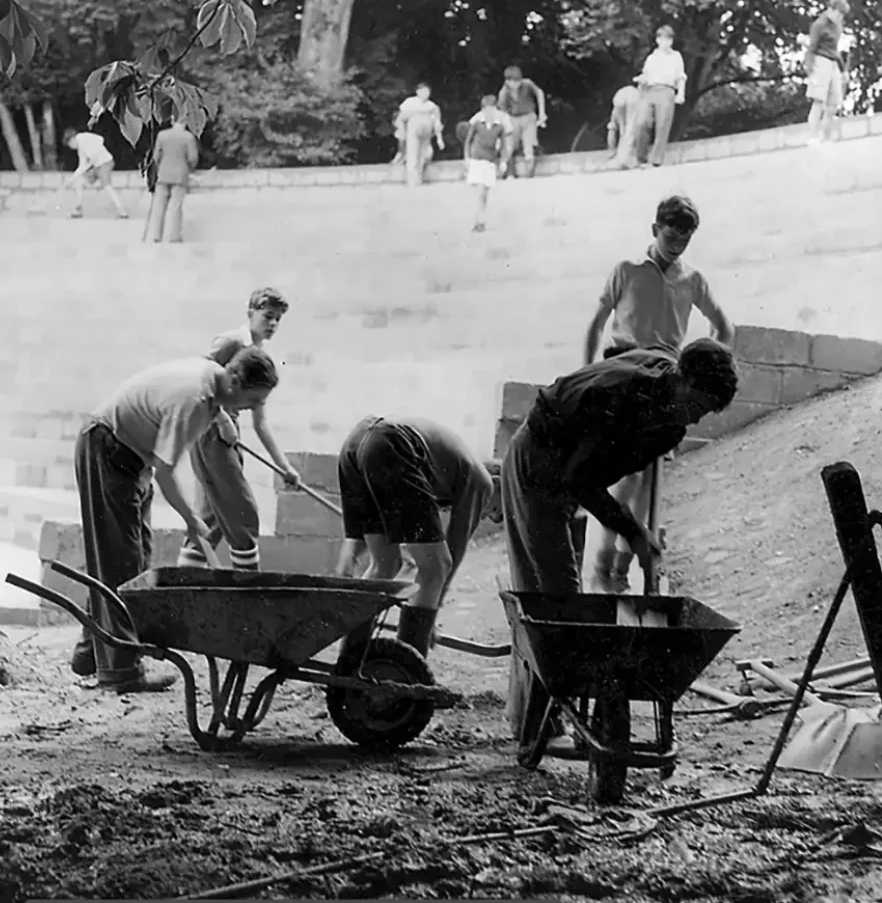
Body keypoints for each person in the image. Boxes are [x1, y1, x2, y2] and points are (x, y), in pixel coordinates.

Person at [499, 340, 739, 737]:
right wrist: (632, 531)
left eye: (705, 413)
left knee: (559, 597)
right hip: (538, 463)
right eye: (695, 406)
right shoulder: (624, 397)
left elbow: (627, 349)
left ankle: (549, 713)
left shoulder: (668, 400)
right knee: (552, 599)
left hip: (567, 463)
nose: (695, 421)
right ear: (681, 380)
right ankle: (534, 723)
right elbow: (581, 481)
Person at [75, 347, 280, 692]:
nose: (252, 408)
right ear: (234, 380)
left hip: (128, 457)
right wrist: (190, 519)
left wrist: (224, 420)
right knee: (118, 561)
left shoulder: (211, 378)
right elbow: (167, 472)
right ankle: (120, 673)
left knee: (135, 558)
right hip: (108, 450)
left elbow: (210, 402)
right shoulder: (195, 401)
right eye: (251, 400)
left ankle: (90, 654)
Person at [581, 196, 734, 594]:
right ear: (655, 230)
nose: (676, 247)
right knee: (624, 471)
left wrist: (705, 372)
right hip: (622, 371)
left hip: (665, 377)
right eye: (670, 238)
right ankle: (602, 564)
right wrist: (587, 372)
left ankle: (622, 569)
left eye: (684, 242)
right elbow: (596, 324)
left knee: (649, 477)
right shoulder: (628, 270)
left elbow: (723, 327)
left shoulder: (693, 279)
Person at [334, 417, 493, 658]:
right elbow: (451, 554)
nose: (488, 517)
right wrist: (429, 618)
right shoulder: (483, 482)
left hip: (356, 444)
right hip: (391, 444)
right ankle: (407, 670)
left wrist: (350, 553)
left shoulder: (451, 465)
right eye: (496, 513)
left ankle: (349, 663)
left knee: (384, 564)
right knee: (435, 567)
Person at [177, 289, 301, 572]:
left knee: (211, 520)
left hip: (228, 438)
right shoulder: (232, 342)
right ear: (250, 313)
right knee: (242, 512)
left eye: (278, 319)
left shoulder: (259, 358)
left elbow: (260, 421)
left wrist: (284, 468)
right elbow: (197, 376)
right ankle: (248, 590)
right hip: (210, 431)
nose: (272, 324)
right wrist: (221, 419)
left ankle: (181, 586)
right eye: (267, 316)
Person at [630, 26, 686, 167]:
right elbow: (646, 75)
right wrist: (640, 81)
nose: (665, 42)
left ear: (671, 41)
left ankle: (655, 160)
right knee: (642, 122)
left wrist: (681, 93)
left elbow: (681, 77)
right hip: (650, 91)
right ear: (657, 40)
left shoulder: (676, 57)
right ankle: (640, 158)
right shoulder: (651, 58)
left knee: (662, 126)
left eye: (668, 39)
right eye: (662, 39)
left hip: (667, 91)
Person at [803, 0, 851, 147]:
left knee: (833, 103)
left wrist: (844, 70)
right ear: (831, 9)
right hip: (819, 61)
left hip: (833, 64)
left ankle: (826, 137)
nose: (840, 18)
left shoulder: (838, 26)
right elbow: (811, 49)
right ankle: (813, 137)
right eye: (839, 14)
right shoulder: (818, 25)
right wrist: (810, 70)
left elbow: (835, 50)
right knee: (818, 101)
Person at [148, 114, 199, 243]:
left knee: (159, 206)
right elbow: (193, 158)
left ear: (172, 120)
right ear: (185, 122)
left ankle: (156, 235)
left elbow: (155, 156)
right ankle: (174, 236)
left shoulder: (162, 135)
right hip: (180, 175)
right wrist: (190, 168)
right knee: (175, 206)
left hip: (163, 174)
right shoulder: (188, 137)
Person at [463, 94, 508, 232]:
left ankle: (480, 220)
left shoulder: (499, 127)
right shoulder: (477, 124)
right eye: (486, 109)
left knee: (484, 193)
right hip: (477, 159)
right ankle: (478, 220)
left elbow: (504, 146)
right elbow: (468, 141)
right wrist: (466, 157)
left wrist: (503, 161)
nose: (489, 112)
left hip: (490, 161)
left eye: (492, 109)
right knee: (480, 191)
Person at [63, 126, 129, 220]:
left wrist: (94, 154)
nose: (71, 147)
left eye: (70, 144)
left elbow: (100, 140)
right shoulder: (80, 149)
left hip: (105, 163)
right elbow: (81, 166)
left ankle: (122, 211)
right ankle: (78, 209)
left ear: (72, 139)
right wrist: (71, 180)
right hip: (95, 166)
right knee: (79, 182)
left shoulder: (84, 138)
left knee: (107, 186)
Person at [496, 66, 547, 179]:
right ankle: (509, 174)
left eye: (518, 81)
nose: (516, 85)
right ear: (507, 81)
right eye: (513, 82)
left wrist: (542, 113)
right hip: (513, 118)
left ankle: (529, 175)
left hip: (528, 116)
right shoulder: (503, 93)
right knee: (509, 147)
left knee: (528, 147)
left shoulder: (527, 84)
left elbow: (539, 93)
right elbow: (502, 112)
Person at [394, 84, 444, 188]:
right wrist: (402, 133)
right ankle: (412, 181)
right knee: (412, 156)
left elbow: (437, 123)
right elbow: (400, 119)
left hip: (426, 133)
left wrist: (440, 139)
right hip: (412, 130)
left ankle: (418, 179)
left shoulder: (432, 106)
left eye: (427, 91)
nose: (425, 94)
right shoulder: (409, 103)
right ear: (417, 92)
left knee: (422, 156)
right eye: (422, 91)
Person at [606, 81, 643, 169]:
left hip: (618, 98)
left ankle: (612, 153)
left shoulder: (620, 90)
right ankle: (624, 160)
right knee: (630, 130)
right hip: (632, 99)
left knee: (614, 127)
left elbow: (612, 127)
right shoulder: (637, 92)